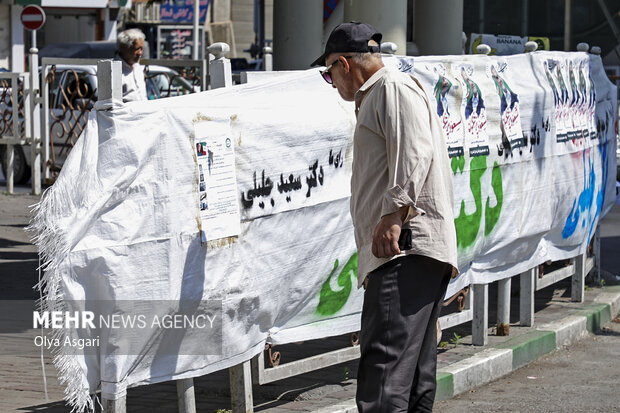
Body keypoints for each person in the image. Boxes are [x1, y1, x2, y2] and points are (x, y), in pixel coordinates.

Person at [311, 22, 458, 412]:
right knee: (411, 378)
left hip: (402, 251)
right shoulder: (387, 91)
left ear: (344, 64)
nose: (332, 83)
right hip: (411, 252)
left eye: (329, 74)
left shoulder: (390, 88)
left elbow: (414, 151)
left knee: (385, 376)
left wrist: (393, 213)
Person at [116, 28, 148, 102]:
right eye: (137, 49)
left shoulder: (138, 68)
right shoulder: (114, 70)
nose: (140, 53)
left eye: (141, 49)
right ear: (124, 48)